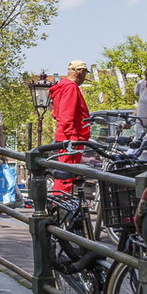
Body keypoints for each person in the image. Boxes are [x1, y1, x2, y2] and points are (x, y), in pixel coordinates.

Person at [46, 61, 92, 195]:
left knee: (64, 174)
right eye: (84, 74)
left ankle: (60, 207)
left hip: (65, 137)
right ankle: (60, 209)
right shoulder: (71, 88)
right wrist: (73, 138)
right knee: (67, 176)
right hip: (71, 139)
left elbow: (57, 114)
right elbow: (67, 116)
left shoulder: (61, 87)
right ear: (81, 72)